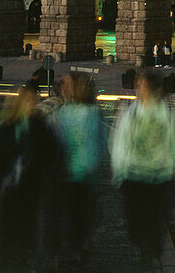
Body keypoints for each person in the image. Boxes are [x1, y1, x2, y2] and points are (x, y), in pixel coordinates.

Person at [110, 72, 175, 267]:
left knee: (154, 226)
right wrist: (119, 172)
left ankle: (149, 257)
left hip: (160, 179)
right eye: (138, 86)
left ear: (154, 89)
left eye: (143, 86)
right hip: (134, 177)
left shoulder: (169, 115)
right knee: (135, 225)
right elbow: (119, 141)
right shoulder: (130, 113)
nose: (139, 90)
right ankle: (144, 253)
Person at [0, 86, 63, 270]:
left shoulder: (38, 126)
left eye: (34, 100)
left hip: (30, 185)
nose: (32, 104)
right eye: (29, 100)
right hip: (10, 186)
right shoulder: (8, 127)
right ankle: (10, 257)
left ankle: (23, 257)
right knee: (9, 225)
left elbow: (50, 152)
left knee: (27, 224)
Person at [48, 74, 108, 265]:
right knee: (82, 212)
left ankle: (67, 247)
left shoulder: (63, 112)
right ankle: (79, 244)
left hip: (68, 172)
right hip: (85, 173)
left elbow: (55, 141)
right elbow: (101, 142)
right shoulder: (92, 113)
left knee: (68, 211)